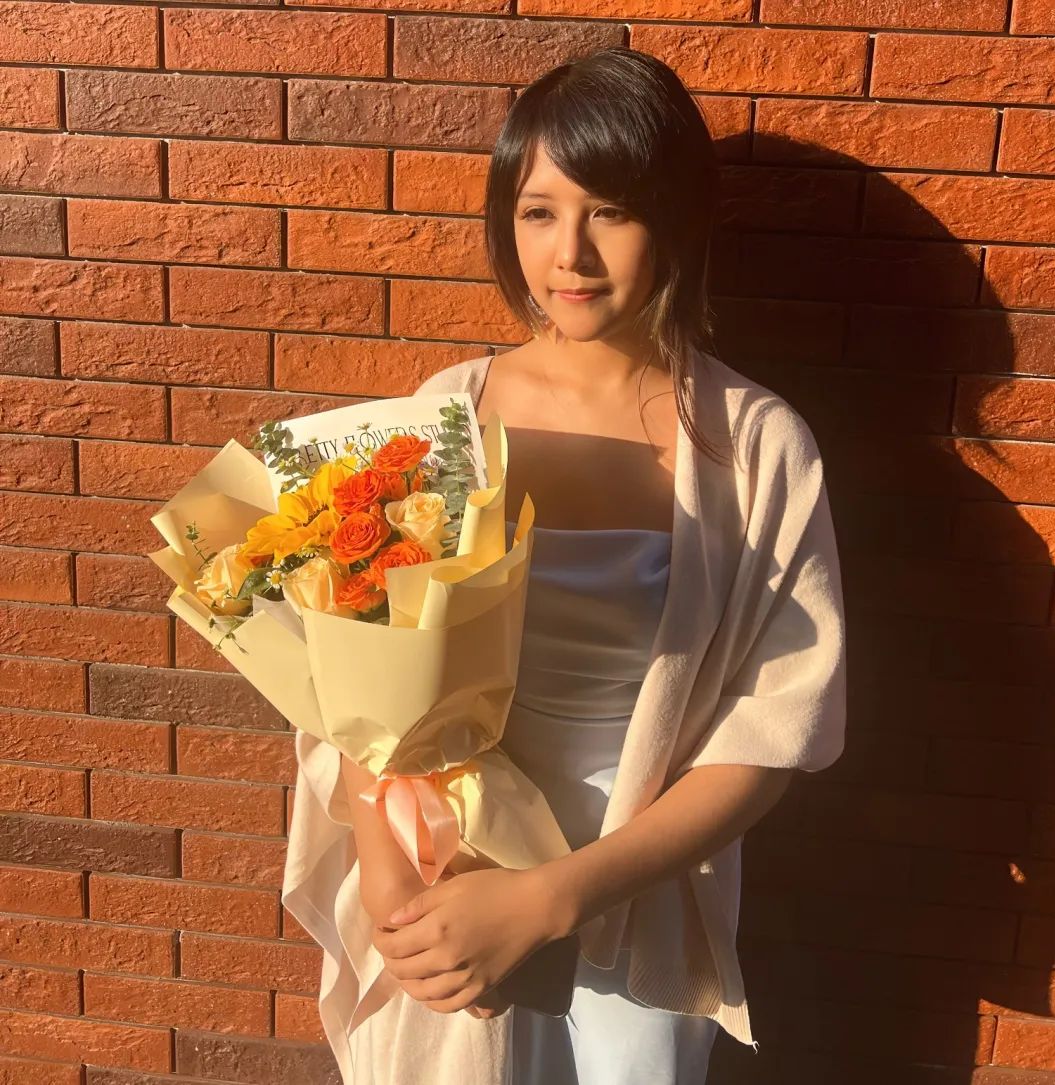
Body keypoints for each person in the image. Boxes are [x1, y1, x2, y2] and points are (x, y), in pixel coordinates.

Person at [283, 45, 846, 1085]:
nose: (570, 255)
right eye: (539, 211)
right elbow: (354, 667)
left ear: (674, 220)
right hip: (448, 872)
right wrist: (388, 876)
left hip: (638, 890)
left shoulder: (757, 443)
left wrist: (551, 898)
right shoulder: (447, 414)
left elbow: (773, 732)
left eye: (611, 211)